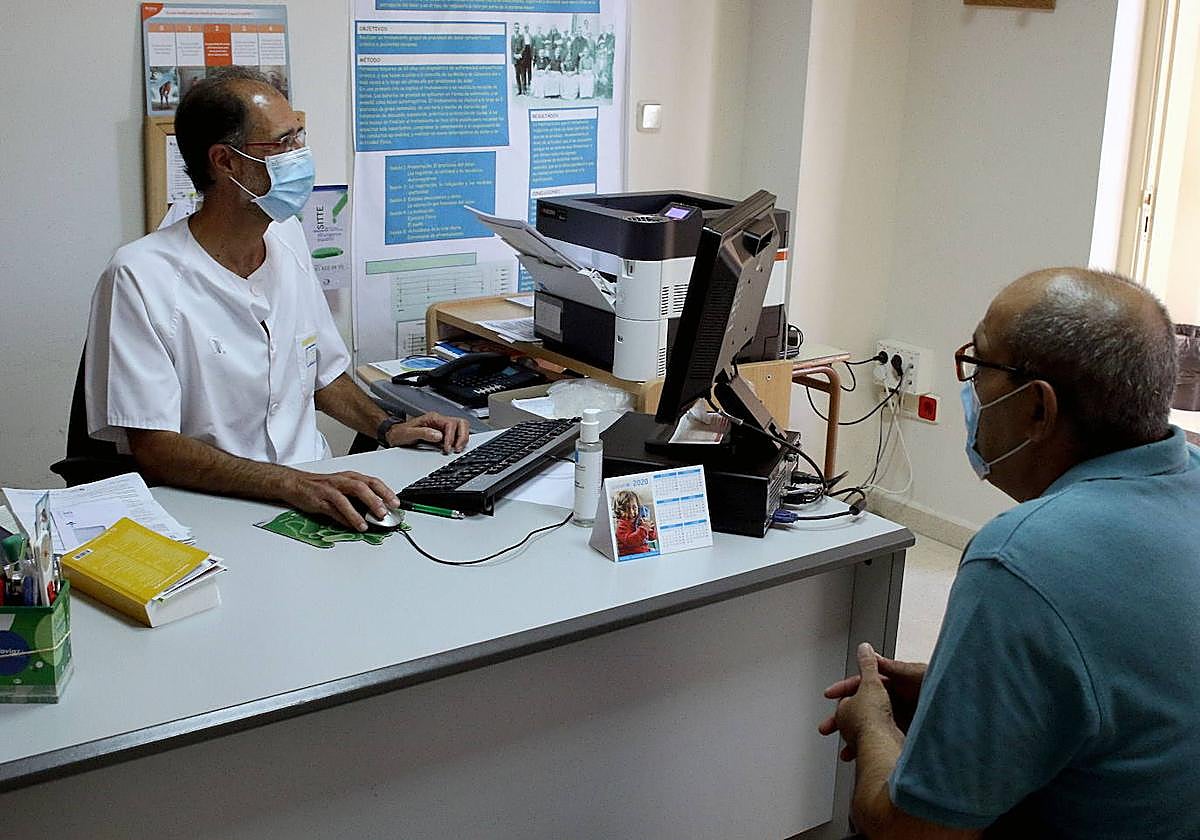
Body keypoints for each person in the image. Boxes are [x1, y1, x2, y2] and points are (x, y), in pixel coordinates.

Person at [819, 268, 1200, 838]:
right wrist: (958, 687)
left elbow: (912, 832)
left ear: (1038, 408)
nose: (969, 390)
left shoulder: (1020, 559)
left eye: (978, 366)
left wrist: (872, 723)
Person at [85, 68, 469, 533]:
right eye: (284, 143)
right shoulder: (139, 275)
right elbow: (155, 448)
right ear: (226, 162)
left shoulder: (286, 237)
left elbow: (322, 375)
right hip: (214, 508)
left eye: (299, 136)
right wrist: (291, 483)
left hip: (316, 494)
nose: (300, 155)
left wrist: (387, 427)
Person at [612, 489, 656, 557]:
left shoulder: (639, 520)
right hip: (631, 555)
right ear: (619, 511)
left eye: (634, 508)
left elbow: (652, 538)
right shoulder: (621, 526)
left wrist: (650, 528)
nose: (631, 512)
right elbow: (630, 541)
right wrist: (643, 529)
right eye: (626, 509)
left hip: (644, 552)